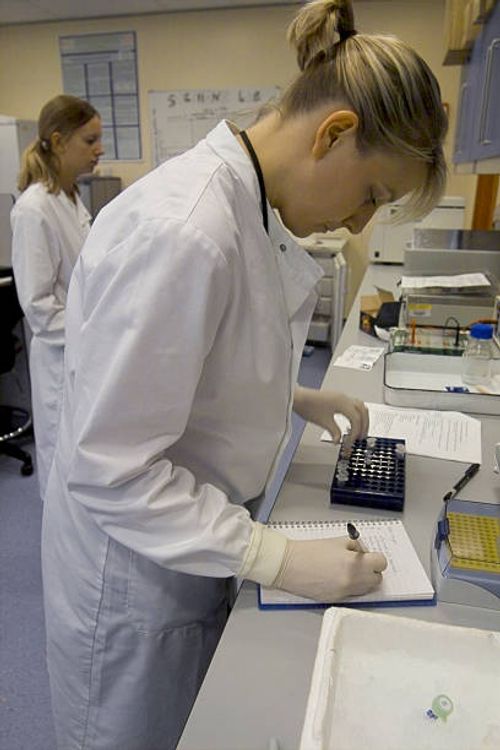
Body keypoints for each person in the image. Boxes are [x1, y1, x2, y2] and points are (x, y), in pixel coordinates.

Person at [41, 1, 447, 748]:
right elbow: (110, 472)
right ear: (334, 133)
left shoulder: (247, 203)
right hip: (133, 574)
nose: (360, 223)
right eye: (373, 196)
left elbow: (198, 354)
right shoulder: (186, 229)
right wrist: (280, 558)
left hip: (188, 544)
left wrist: (287, 393)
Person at [11, 95, 104, 498]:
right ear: (58, 141)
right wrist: (98, 330)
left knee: (83, 462)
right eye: (90, 140)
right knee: (60, 471)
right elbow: (39, 307)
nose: (100, 150)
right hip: (60, 358)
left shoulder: (70, 198)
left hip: (84, 352)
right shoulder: (35, 209)